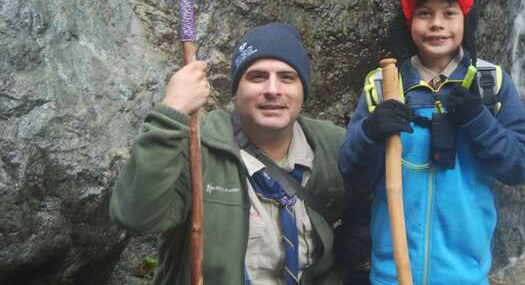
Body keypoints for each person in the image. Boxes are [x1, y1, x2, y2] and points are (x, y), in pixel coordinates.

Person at [110, 22, 369, 284]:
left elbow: (370, 212)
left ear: (303, 91)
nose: (273, 89)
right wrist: (171, 111)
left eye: (287, 77)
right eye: (257, 77)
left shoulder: (332, 145)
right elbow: (135, 216)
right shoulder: (198, 148)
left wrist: (338, 273)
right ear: (235, 91)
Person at [338, 0, 525, 285]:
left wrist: (478, 120)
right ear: (408, 20)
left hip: (465, 277)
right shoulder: (382, 86)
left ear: (465, 18)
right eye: (424, 13)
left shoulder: (490, 84)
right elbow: (352, 173)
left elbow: (521, 166)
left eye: (449, 12)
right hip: (391, 276)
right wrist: (371, 133)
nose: (437, 24)